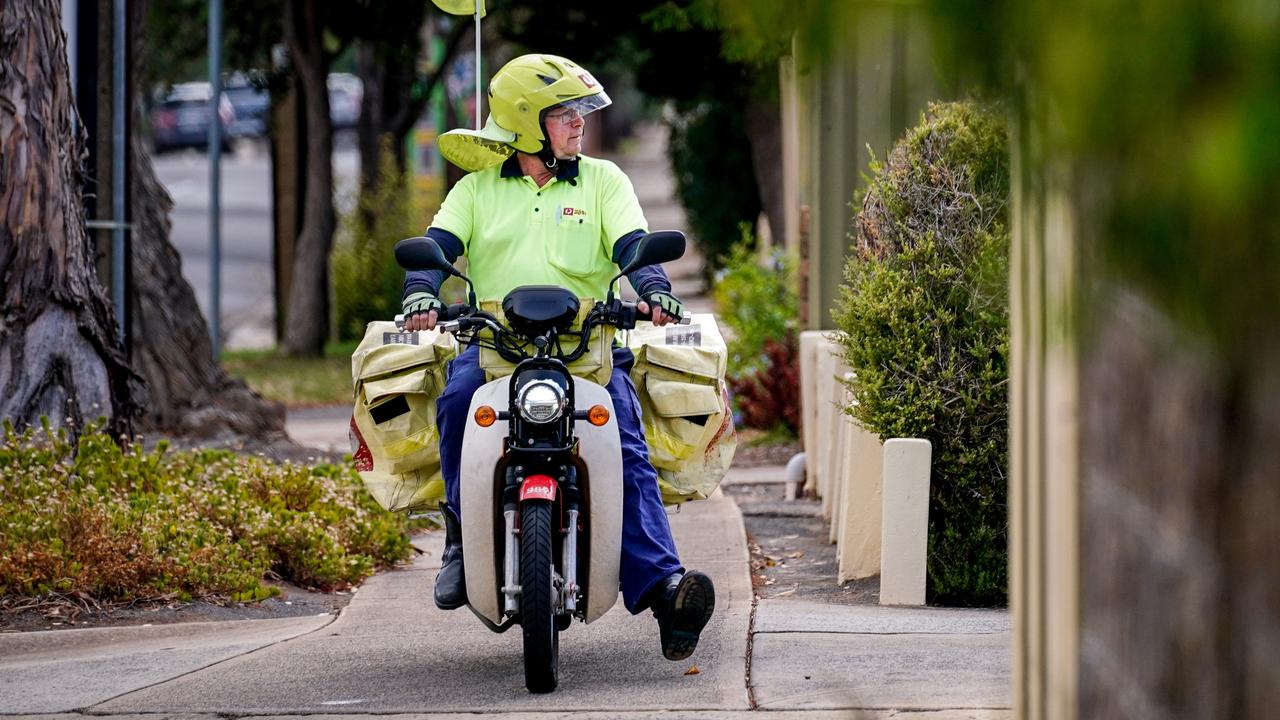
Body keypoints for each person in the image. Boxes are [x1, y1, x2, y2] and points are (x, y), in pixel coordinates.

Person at [401, 53, 714, 662]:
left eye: (580, 113)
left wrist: (654, 292)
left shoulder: (604, 181)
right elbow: (434, 250)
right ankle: (462, 544)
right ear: (525, 122)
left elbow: (634, 247)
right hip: (495, 353)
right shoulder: (474, 191)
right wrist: (420, 291)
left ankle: (666, 590)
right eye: (564, 114)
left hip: (587, 354)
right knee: (456, 403)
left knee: (624, 445)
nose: (578, 125)